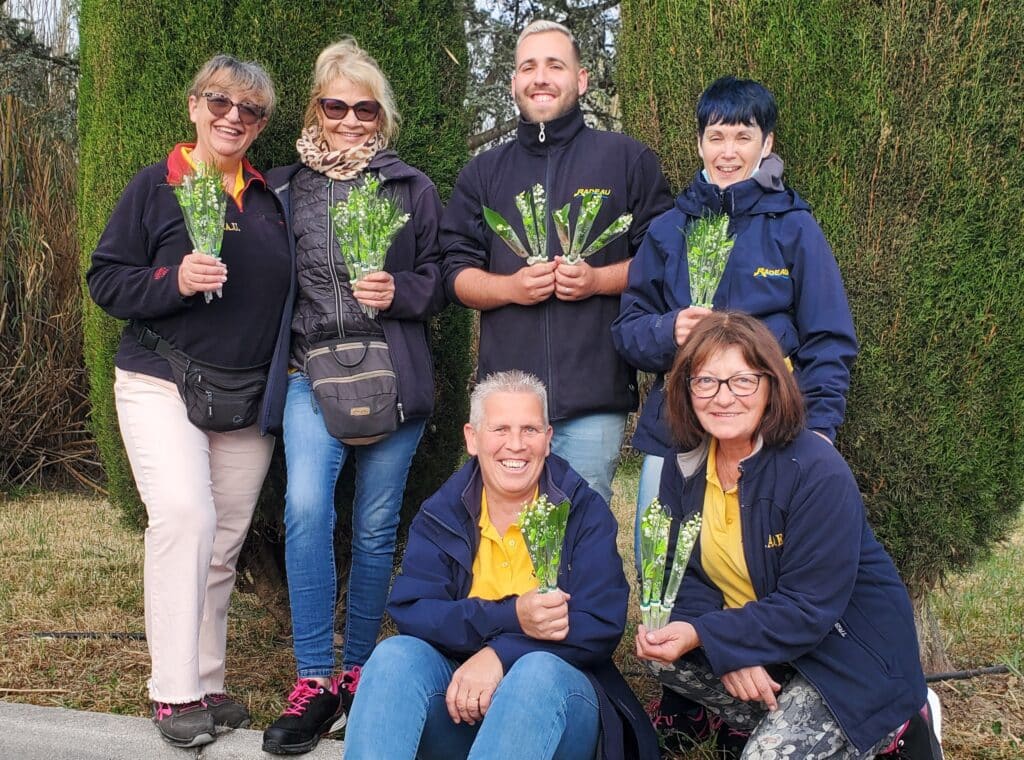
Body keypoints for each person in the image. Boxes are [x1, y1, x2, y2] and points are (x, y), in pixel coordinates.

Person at [87, 55, 292, 747]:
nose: (234, 117)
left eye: (251, 110)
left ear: (262, 124)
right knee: (183, 516)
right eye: (220, 102)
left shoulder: (269, 197)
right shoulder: (155, 186)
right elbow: (106, 279)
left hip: (246, 393)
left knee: (223, 541)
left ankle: (206, 678)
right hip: (161, 378)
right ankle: (172, 693)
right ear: (194, 106)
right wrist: (172, 278)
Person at [634, 311, 943, 759]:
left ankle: (893, 726)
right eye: (706, 381)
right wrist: (721, 644)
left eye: (742, 381)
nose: (723, 398)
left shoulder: (815, 469)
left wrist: (711, 636)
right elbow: (683, 573)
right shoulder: (685, 464)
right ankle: (794, 727)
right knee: (662, 652)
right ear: (686, 388)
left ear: (771, 386)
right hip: (769, 642)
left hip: (846, 658)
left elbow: (808, 608)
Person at [259, 38, 445, 756]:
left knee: (373, 527)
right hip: (312, 373)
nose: (349, 120)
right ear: (316, 108)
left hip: (392, 373)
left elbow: (440, 277)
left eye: (364, 109)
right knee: (307, 510)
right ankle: (315, 680)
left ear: (382, 116)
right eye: (335, 106)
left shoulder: (411, 187)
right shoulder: (284, 189)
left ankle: (362, 675)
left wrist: (400, 291)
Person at [343, 371, 660, 760]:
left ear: (548, 439)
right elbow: (414, 610)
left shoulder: (582, 510)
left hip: (562, 711)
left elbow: (601, 621)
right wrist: (513, 616)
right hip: (463, 704)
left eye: (529, 429)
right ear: (472, 439)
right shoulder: (443, 513)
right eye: (500, 429)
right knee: (393, 658)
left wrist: (501, 655)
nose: (516, 445)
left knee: (534, 674)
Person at [612, 75, 859, 569]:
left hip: (771, 426)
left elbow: (829, 339)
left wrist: (821, 428)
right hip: (677, 427)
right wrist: (670, 331)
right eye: (716, 136)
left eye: (743, 136)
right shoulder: (668, 230)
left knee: (760, 563)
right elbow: (628, 330)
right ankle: (665, 647)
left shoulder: (794, 227)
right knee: (662, 564)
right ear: (699, 142)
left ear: (766, 143)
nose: (728, 151)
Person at [440, 20, 673, 505]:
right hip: (509, 407)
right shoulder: (482, 173)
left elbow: (664, 260)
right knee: (509, 536)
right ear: (514, 82)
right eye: (528, 66)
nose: (540, 77)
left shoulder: (628, 160)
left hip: (593, 399)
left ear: (581, 79)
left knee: (584, 535)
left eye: (555, 65)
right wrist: (510, 288)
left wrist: (597, 281)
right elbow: (454, 272)